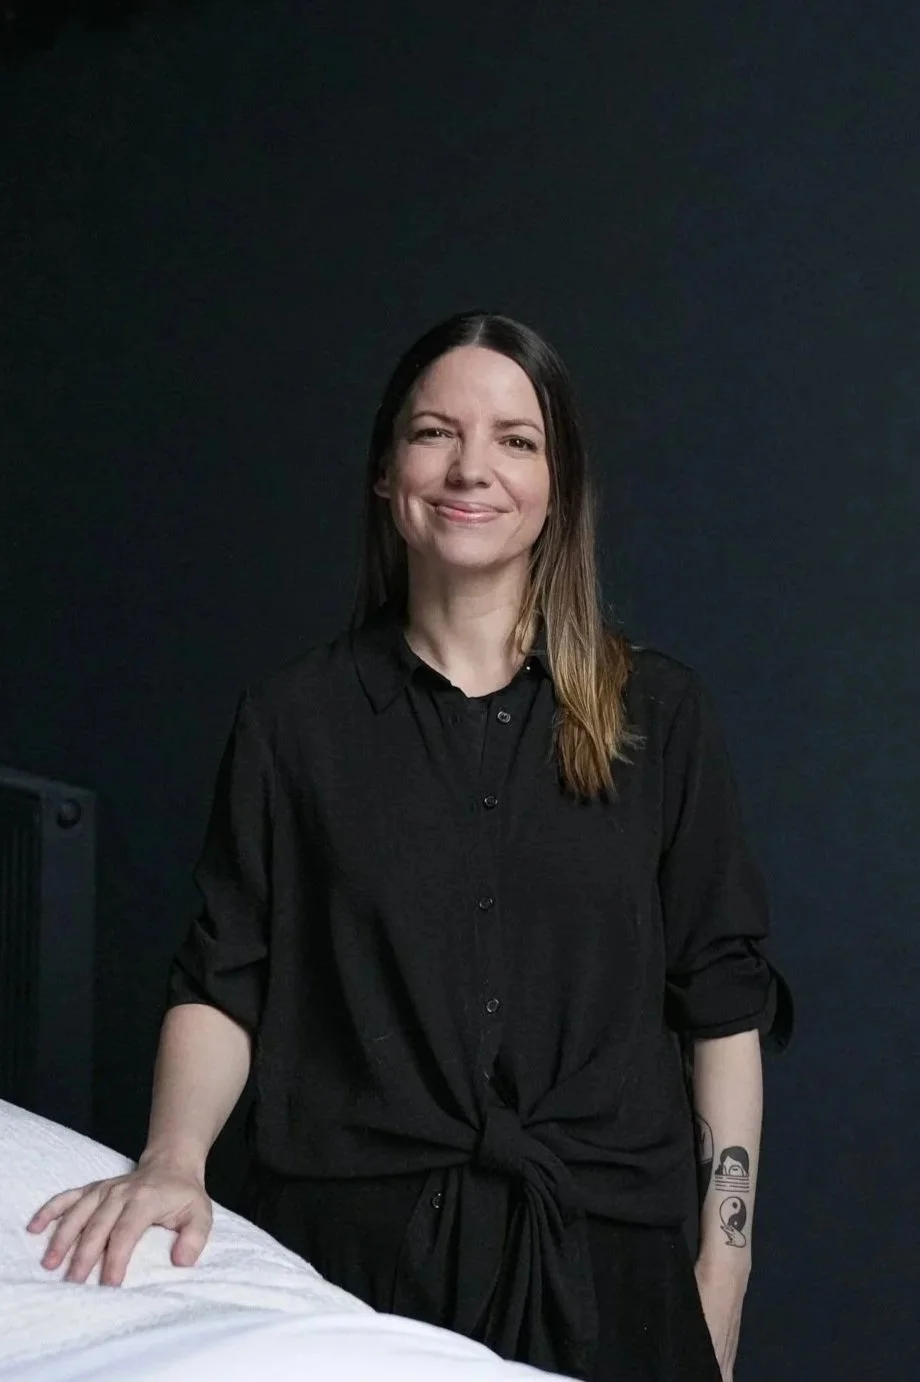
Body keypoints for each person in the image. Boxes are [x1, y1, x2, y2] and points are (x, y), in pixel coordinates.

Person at [28, 311, 792, 1382]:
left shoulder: (655, 715)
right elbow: (224, 977)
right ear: (387, 472)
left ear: (557, 484)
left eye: (515, 439)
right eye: (435, 432)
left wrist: (719, 1280)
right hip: (346, 1271)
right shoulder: (293, 719)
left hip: (611, 1275)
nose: (470, 466)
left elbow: (720, 1008)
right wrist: (170, 1160)